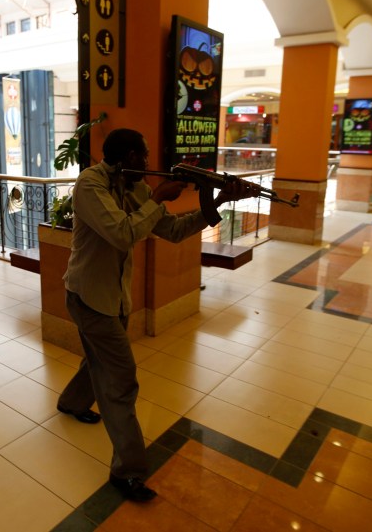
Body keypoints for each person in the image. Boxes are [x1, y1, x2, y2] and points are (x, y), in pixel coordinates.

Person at [56, 128, 258, 502]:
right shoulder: (90, 184)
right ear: (128, 157)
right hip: (88, 297)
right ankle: (128, 471)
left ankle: (71, 402)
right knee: (121, 378)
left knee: (99, 359)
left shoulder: (133, 189)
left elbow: (175, 230)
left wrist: (220, 202)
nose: (149, 164)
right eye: (143, 156)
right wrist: (158, 199)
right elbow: (121, 233)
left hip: (113, 298)